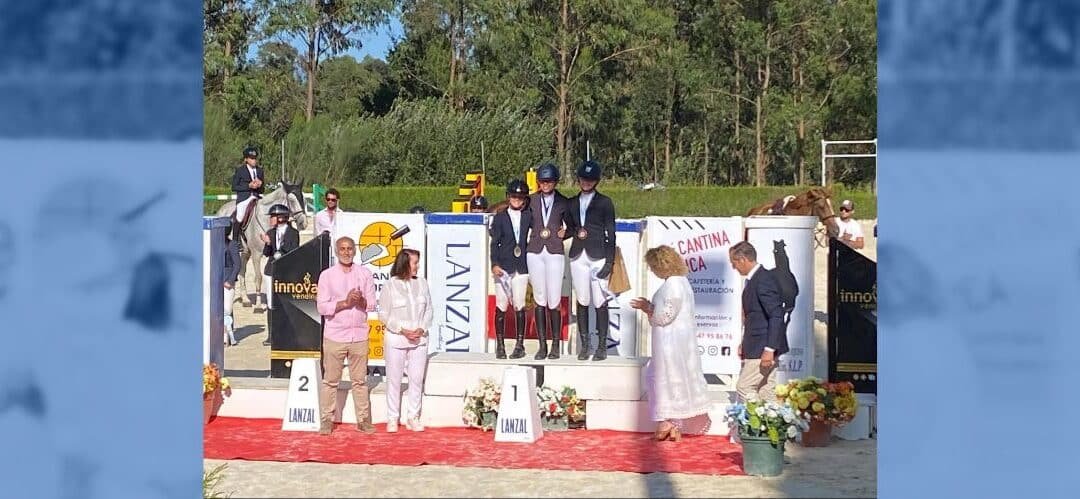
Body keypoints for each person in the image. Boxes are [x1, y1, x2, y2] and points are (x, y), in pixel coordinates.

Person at [629, 245, 712, 441]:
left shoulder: (674, 284)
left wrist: (648, 308)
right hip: (674, 340)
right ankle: (673, 424)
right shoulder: (679, 282)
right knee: (670, 377)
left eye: (653, 266)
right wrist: (650, 307)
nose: (652, 270)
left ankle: (670, 421)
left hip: (670, 342)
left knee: (667, 377)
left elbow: (665, 315)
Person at [315, 237, 378, 435]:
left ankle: (363, 419)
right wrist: (345, 302)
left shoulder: (365, 274)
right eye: (342, 249)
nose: (346, 252)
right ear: (336, 251)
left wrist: (359, 302)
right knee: (330, 381)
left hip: (358, 335)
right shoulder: (327, 276)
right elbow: (322, 307)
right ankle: (327, 419)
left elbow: (371, 305)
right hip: (335, 335)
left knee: (360, 381)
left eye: (349, 248)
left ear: (355, 251)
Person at [565, 160, 617, 361]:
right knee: (582, 300)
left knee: (600, 300)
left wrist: (609, 262)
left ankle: (602, 345)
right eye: (583, 179)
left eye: (590, 180)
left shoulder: (605, 202)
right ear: (579, 180)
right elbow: (571, 228)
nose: (586, 182)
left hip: (598, 255)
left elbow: (611, 234)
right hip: (578, 255)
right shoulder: (571, 203)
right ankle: (585, 344)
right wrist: (563, 233)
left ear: (596, 181)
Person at [378, 248, 432, 433]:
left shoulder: (423, 283)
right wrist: (402, 330)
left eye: (417, 262)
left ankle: (413, 416)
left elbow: (429, 310)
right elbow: (383, 314)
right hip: (397, 339)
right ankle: (393, 417)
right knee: (394, 379)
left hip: (419, 339)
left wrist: (421, 328)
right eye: (414, 263)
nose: (417, 266)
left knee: (416, 379)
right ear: (404, 263)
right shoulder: (390, 285)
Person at [729, 241, 788, 403]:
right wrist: (744, 342)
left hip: (762, 346)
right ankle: (773, 425)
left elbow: (776, 315)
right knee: (766, 391)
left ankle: (753, 424)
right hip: (757, 344)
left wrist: (769, 349)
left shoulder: (763, 280)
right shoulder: (757, 279)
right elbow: (754, 317)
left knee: (745, 387)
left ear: (743, 259)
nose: (734, 267)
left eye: (734, 263)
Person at [525, 163, 569, 359]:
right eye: (542, 182)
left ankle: (556, 345)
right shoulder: (531, 200)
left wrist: (566, 233)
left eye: (549, 181)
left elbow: (575, 224)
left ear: (555, 182)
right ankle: (542, 345)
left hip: (554, 250)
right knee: (539, 298)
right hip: (534, 250)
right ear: (538, 183)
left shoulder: (563, 202)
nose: (545, 185)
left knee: (554, 299)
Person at [489, 179, 532, 359]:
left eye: (520, 197)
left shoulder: (529, 216)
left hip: (521, 266)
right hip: (504, 267)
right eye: (514, 196)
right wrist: (494, 264)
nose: (516, 199)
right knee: (501, 305)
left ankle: (519, 344)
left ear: (524, 199)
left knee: (520, 305)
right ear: (508, 197)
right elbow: (495, 243)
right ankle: (499, 345)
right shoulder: (499, 217)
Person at [260, 203, 300, 346]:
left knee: (285, 301)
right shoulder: (270, 232)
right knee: (271, 302)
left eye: (273, 216)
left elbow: (293, 249)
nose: (271, 219)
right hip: (271, 271)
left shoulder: (293, 233)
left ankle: (286, 332)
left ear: (281, 218)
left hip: (286, 270)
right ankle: (271, 335)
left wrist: (279, 252)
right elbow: (266, 254)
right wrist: (268, 244)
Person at [231, 147, 264, 232]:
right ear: (246, 159)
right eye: (252, 158)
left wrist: (260, 185)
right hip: (244, 199)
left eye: (255, 158)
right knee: (240, 215)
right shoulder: (240, 170)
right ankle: (235, 239)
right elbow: (234, 187)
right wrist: (248, 186)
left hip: (256, 198)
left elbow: (262, 190)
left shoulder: (260, 170)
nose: (254, 161)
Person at [222, 229, 241, 346]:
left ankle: (225, 338)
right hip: (215, 280)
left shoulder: (232, 244)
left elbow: (237, 263)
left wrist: (230, 280)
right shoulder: (213, 244)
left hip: (227, 280)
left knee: (227, 310)